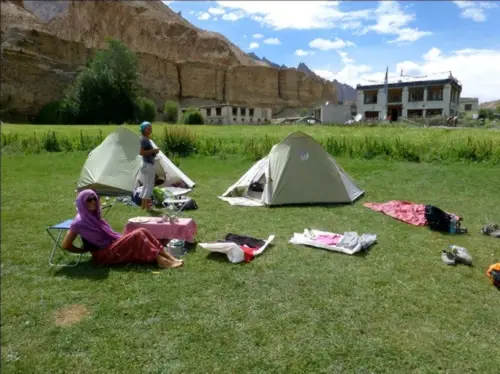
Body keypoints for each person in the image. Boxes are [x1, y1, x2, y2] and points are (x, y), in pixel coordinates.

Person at [62, 189, 183, 269]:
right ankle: (160, 260)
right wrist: (84, 251)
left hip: (110, 246)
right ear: (82, 203)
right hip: (103, 255)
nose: (93, 201)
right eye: (89, 200)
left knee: (143, 231)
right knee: (138, 234)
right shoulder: (79, 222)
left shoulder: (94, 216)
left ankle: (168, 256)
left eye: (95, 198)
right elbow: (66, 245)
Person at [138, 121, 160, 211]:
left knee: (146, 185)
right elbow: (141, 152)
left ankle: (143, 205)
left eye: (151, 127)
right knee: (150, 185)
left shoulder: (144, 138)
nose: (151, 129)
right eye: (148, 128)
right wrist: (153, 151)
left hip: (145, 164)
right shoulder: (144, 140)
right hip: (148, 164)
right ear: (144, 130)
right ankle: (147, 207)